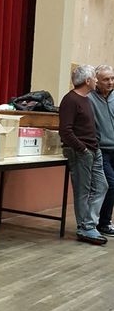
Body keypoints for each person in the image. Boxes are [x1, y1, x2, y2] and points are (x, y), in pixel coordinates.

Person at [59, 64, 109, 244]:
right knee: (83, 190)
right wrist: (82, 149)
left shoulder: (87, 99)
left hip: (93, 150)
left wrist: (93, 147)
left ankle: (89, 223)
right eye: (95, 78)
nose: (96, 81)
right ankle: (85, 227)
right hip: (81, 152)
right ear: (87, 81)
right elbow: (65, 130)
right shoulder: (70, 100)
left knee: (102, 186)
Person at [88, 64, 114, 235]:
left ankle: (104, 221)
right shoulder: (89, 99)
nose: (110, 82)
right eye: (106, 79)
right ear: (96, 81)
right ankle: (102, 222)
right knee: (110, 184)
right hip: (101, 150)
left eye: (112, 79)